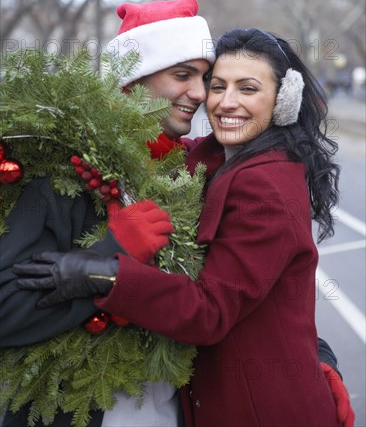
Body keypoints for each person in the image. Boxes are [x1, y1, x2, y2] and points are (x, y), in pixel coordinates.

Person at [13, 28, 355, 426]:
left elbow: (209, 310)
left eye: (248, 89)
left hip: (260, 408)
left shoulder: (266, 184)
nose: (227, 102)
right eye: (217, 86)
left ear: (283, 100)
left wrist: (102, 274)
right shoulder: (218, 159)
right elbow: (178, 153)